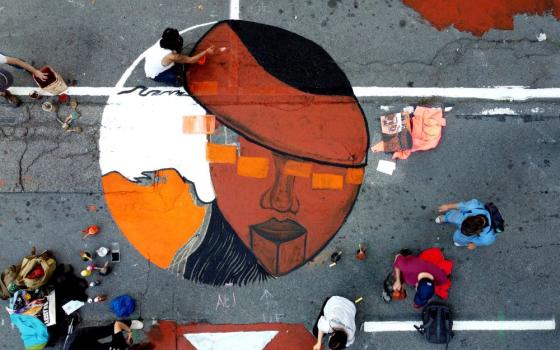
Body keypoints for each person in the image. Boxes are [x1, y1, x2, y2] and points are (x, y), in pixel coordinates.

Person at [143, 28, 214, 86]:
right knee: (181, 80)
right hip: (156, 74)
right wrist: (206, 52)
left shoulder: (162, 40)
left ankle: (174, 66)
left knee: (180, 50)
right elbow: (191, 60)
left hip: (154, 63)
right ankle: (176, 80)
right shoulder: (172, 56)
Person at [64, 319, 143, 350]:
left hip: (79, 338)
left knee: (107, 330)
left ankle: (129, 323)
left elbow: (117, 324)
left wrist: (129, 332)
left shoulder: (118, 346)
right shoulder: (119, 346)